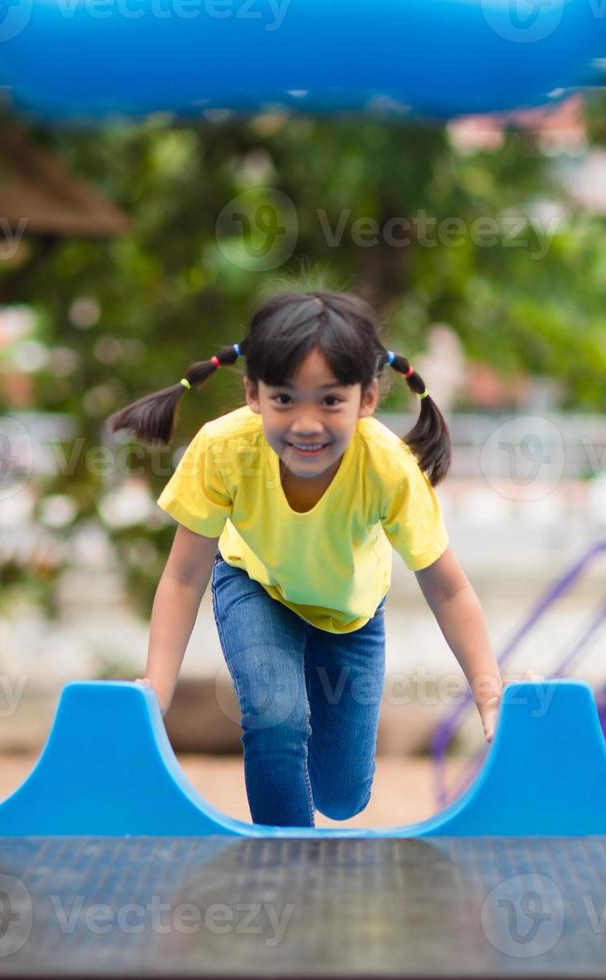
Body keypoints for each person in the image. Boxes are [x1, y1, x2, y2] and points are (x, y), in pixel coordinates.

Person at [107, 290, 503, 827]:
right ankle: (286, 862)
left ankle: (312, 821)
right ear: (253, 393)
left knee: (342, 797)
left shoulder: (387, 467)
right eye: (286, 399)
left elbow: (448, 588)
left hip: (351, 614)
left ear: (367, 398)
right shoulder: (225, 449)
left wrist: (489, 696)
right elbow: (183, 576)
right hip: (256, 586)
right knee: (275, 715)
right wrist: (154, 695)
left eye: (330, 401)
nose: (307, 423)